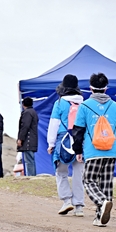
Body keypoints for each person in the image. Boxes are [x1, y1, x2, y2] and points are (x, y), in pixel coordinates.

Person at [72, 73, 116, 227]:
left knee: (88, 180)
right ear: (106, 88)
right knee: (106, 183)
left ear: (90, 88)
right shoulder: (115, 106)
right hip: (111, 151)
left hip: (92, 151)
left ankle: (102, 202)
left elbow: (78, 130)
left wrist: (78, 151)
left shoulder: (84, 106)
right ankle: (100, 217)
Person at [47, 74, 85, 216]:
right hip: (81, 141)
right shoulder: (83, 102)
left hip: (63, 140)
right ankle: (79, 206)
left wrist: (51, 143)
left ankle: (66, 201)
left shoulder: (60, 103)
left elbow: (54, 124)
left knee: (61, 171)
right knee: (78, 173)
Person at [17, 97, 39, 176]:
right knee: (30, 159)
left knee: (29, 160)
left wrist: (20, 138)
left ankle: (31, 176)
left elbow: (25, 126)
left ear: (23, 104)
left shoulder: (27, 113)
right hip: (33, 139)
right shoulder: (33, 112)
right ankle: (32, 175)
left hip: (28, 140)